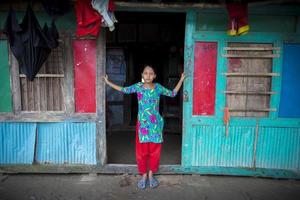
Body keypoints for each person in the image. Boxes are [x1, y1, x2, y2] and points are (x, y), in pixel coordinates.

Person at [103, 64, 185, 189]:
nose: (148, 75)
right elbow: (123, 90)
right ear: (142, 75)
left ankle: (151, 174)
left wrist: (181, 80)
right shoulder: (138, 87)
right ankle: (144, 175)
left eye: (151, 73)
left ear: (154, 76)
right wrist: (108, 82)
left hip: (155, 125)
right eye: (146, 73)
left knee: (155, 152)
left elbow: (173, 93)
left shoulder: (158, 88)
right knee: (142, 152)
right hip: (142, 125)